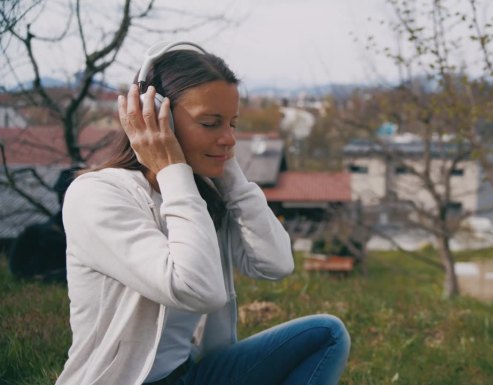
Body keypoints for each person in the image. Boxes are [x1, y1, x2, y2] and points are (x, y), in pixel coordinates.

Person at [55, 41, 350, 385]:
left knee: (326, 334)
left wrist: (230, 175)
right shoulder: (98, 195)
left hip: (190, 374)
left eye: (232, 124)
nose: (229, 139)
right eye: (211, 123)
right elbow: (198, 289)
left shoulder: (201, 196)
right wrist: (172, 167)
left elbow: (276, 263)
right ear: (155, 116)